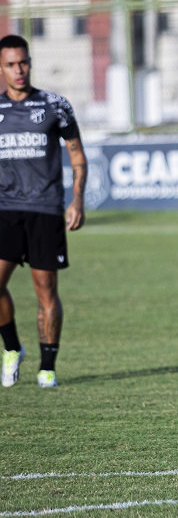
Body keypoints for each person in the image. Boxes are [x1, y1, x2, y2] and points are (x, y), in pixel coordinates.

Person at [0, 34, 88, 389]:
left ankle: (47, 367)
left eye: (23, 62)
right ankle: (12, 348)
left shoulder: (56, 106)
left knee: (45, 291)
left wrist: (77, 199)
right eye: (10, 64)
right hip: (5, 209)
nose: (18, 70)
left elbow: (78, 157)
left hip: (45, 211)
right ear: (1, 67)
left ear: (30, 63)